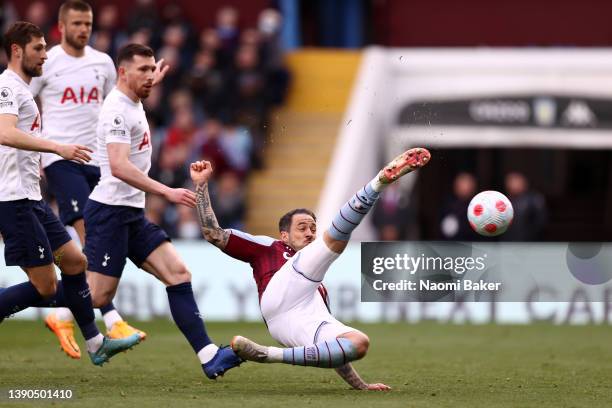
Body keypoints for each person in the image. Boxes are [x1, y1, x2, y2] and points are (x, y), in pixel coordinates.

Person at [189, 147, 431, 389]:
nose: (309, 233)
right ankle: (378, 183)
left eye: (312, 228)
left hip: (288, 326)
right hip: (279, 295)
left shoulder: (319, 288)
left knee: (357, 344)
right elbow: (213, 234)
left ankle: (267, 354)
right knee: (337, 238)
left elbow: (333, 353)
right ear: (284, 235)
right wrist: (200, 186)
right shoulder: (269, 247)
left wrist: (361, 385)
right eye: (302, 227)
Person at [81, 43, 241, 379]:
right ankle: (20, 297)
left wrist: (154, 80)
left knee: (178, 273)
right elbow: (119, 166)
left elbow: (141, 91)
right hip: (109, 212)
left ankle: (209, 356)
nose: (151, 76)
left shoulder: (135, 99)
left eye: (153, 69)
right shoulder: (116, 110)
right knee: (96, 296)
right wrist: (166, 191)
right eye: (143, 70)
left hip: (132, 214)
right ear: (122, 73)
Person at [0, 21, 140, 365]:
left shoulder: (22, 88)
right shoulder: (7, 87)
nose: (45, 55)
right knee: (45, 287)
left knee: (76, 261)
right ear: (17, 50)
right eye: (38, 48)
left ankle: (96, 344)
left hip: (32, 198)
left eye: (46, 48)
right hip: (14, 200)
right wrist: (56, 147)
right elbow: (4, 133)